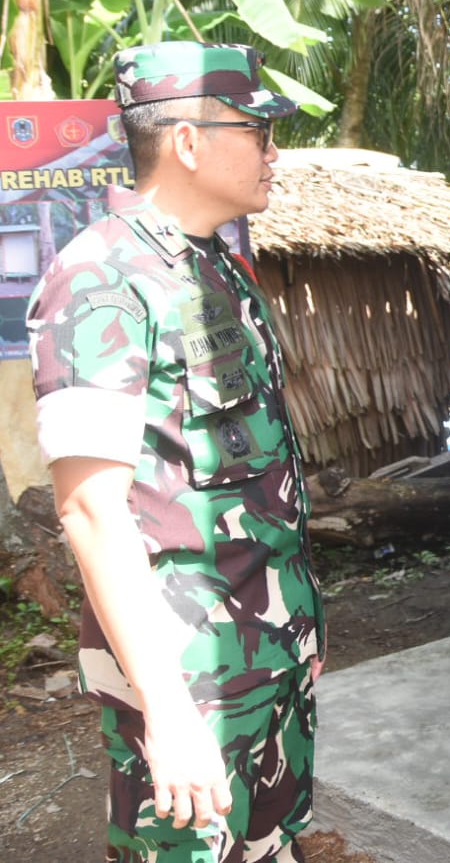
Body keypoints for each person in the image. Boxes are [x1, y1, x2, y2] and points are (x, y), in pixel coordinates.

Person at [27, 42, 322, 863]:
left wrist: (300, 627)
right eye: (257, 131)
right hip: (187, 674)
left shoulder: (215, 266)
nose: (273, 153)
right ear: (188, 142)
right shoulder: (100, 280)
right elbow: (91, 508)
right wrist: (167, 710)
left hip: (264, 652)